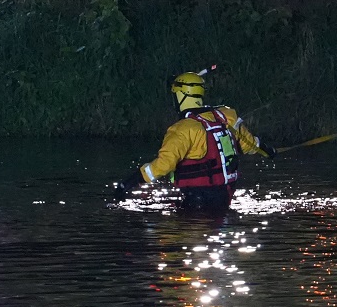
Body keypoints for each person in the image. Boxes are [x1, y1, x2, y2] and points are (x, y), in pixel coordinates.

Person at [116, 69, 274, 213]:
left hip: (197, 203)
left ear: (180, 96)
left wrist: (133, 180)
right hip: (224, 197)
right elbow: (249, 144)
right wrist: (267, 150)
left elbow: (164, 165)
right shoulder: (226, 116)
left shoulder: (182, 129)